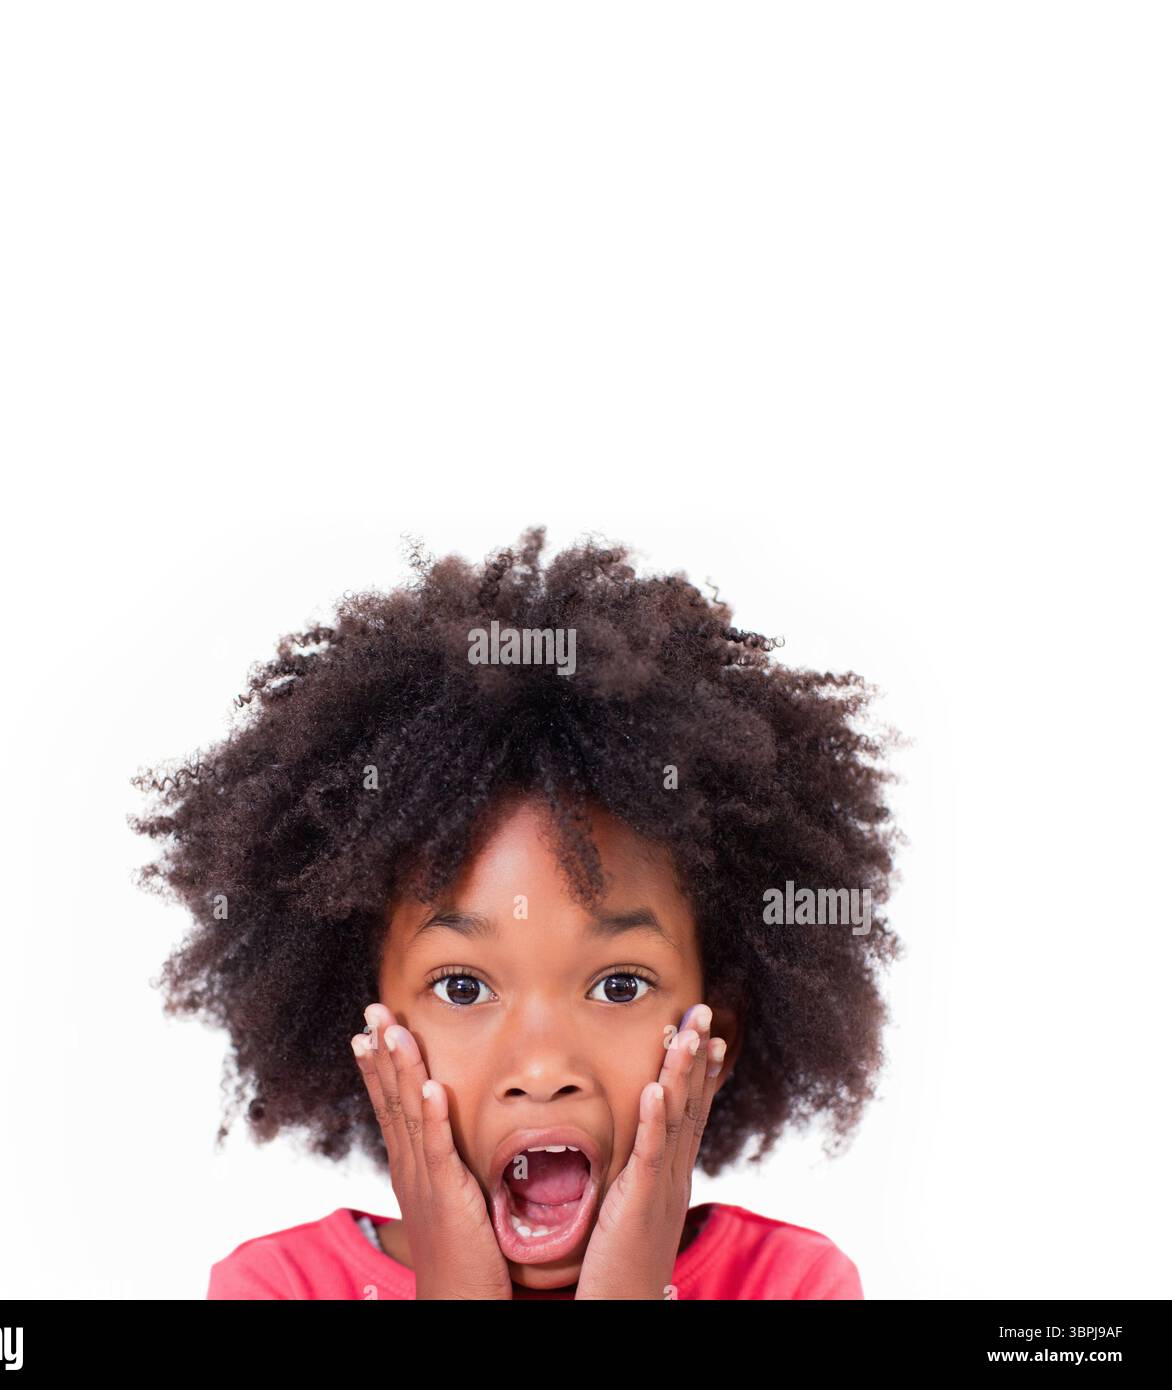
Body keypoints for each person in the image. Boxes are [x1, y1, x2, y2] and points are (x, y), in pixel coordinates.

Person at [132, 526, 901, 1299]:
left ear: (713, 1042)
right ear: (369, 1035)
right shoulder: (277, 1288)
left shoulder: (790, 1285)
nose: (541, 1069)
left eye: (619, 986)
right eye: (462, 987)